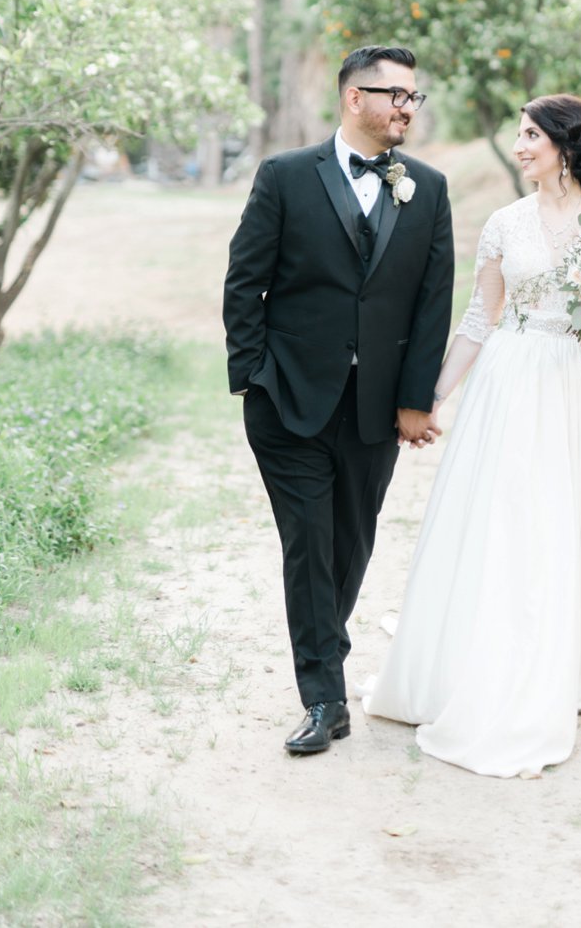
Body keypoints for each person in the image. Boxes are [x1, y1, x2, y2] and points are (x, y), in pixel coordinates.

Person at [362, 94, 581, 778]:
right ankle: (514, 651)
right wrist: (427, 397)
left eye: (528, 135)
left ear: (565, 144)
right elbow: (479, 321)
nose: (518, 146)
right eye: (517, 134)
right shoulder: (503, 224)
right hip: (516, 386)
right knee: (520, 521)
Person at [223, 45, 454, 756]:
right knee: (306, 546)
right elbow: (244, 282)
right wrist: (252, 374)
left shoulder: (429, 187)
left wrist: (417, 399)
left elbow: (431, 302)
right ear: (354, 97)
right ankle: (324, 695)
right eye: (395, 94)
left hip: (377, 409)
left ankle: (327, 646)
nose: (406, 107)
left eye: (414, 97)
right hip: (286, 399)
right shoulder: (287, 176)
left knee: (349, 541)